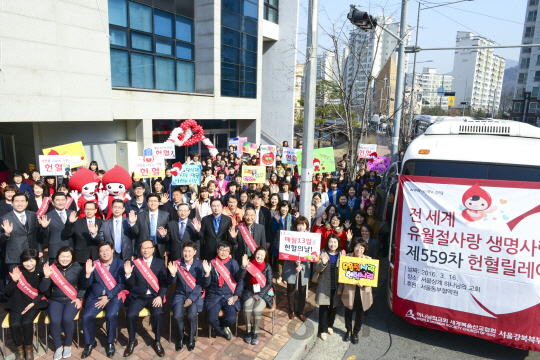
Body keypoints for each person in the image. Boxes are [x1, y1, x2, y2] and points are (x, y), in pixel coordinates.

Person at [123, 240, 168, 357]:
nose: (146, 250)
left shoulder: (160, 263)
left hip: (154, 297)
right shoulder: (135, 263)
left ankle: (157, 341)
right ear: (140, 250)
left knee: (158, 314)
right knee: (131, 315)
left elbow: (164, 284)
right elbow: (131, 285)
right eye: (143, 248)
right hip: (138, 297)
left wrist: (160, 296)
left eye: (148, 248)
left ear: (153, 249)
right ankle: (132, 340)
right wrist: (128, 275)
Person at [81, 242, 126, 358]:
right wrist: (87, 273)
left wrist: (109, 296)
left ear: (112, 250)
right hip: (96, 296)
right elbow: (86, 284)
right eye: (102, 251)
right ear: (99, 253)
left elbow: (121, 285)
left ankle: (110, 342)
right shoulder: (95, 264)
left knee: (111, 315)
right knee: (86, 316)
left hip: (114, 296)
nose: (104, 253)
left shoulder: (121, 264)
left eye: (107, 250)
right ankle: (90, 343)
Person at [41, 247, 86, 360]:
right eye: (62, 256)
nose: (65, 259)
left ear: (72, 257)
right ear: (58, 257)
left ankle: (67, 345)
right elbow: (43, 289)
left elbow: (84, 285)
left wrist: (79, 297)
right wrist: (46, 277)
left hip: (73, 299)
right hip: (56, 299)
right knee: (55, 321)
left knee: (67, 319)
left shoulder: (77, 267)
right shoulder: (51, 268)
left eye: (68, 256)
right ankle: (58, 347)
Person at [5, 249, 48, 360]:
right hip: (18, 302)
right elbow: (8, 293)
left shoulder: (42, 270)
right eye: (25, 261)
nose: (28, 264)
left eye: (32, 260)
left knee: (26, 322)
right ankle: (19, 350)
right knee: (14, 324)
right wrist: (14, 281)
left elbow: (44, 292)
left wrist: (33, 303)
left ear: (36, 260)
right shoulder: (17, 270)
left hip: (35, 302)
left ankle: (28, 349)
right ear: (21, 261)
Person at [203, 242, 248, 340]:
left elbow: (239, 279)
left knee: (232, 320)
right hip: (215, 295)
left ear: (229, 252)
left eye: (226, 250)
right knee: (210, 319)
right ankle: (222, 330)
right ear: (217, 250)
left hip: (229, 295)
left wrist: (236, 296)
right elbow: (206, 284)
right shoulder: (211, 263)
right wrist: (207, 274)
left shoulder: (234, 263)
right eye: (222, 249)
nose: (224, 252)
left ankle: (218, 326)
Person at [167, 241, 204, 351]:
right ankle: (181, 338)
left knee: (191, 316)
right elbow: (171, 283)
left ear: (194, 252)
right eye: (185, 251)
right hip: (180, 294)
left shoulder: (200, 265)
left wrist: (191, 299)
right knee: (177, 316)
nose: (187, 254)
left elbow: (200, 285)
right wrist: (173, 274)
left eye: (189, 251)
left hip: (194, 296)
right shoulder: (176, 264)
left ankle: (191, 339)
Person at [340, 238, 373, 344]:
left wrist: (364, 283)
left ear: (364, 249)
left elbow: (372, 278)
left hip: (362, 292)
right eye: (357, 246)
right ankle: (348, 330)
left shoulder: (369, 260)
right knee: (348, 312)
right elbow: (341, 274)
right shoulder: (347, 258)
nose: (359, 249)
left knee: (360, 315)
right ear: (353, 247)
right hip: (349, 290)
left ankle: (356, 333)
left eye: (361, 247)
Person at [0, 193, 42, 269]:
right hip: (15, 258)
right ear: (12, 203)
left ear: (26, 203)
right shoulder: (4, 218)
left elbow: (37, 235)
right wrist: (6, 234)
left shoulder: (32, 215)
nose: (20, 204)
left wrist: (39, 250)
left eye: (22, 201)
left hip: (32, 256)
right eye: (17, 201)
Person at [241, 247, 273, 345]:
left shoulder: (267, 266)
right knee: (246, 309)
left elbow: (269, 283)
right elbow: (241, 277)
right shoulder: (249, 264)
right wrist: (243, 266)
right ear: (255, 254)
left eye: (262, 255)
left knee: (256, 310)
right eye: (258, 254)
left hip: (262, 294)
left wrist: (259, 295)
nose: (259, 256)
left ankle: (255, 332)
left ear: (265, 257)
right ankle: (248, 330)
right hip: (249, 292)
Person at [314, 234, 343, 341]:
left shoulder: (341, 255)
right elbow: (316, 269)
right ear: (327, 243)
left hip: (336, 286)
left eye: (335, 242)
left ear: (338, 243)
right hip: (324, 286)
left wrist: (341, 287)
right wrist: (323, 263)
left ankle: (330, 325)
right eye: (330, 242)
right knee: (323, 309)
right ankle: (322, 329)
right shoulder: (322, 253)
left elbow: (344, 273)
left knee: (333, 308)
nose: (332, 244)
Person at [282, 217, 311, 322]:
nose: (301, 227)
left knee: (302, 290)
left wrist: (302, 265)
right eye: (299, 224)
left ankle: (300, 311)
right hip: (291, 266)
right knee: (290, 289)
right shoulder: (290, 235)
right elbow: (285, 251)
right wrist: (294, 261)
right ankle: (292, 310)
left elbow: (312, 254)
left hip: (304, 267)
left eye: (303, 225)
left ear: (306, 226)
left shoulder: (310, 237)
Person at [128, 193, 170, 258]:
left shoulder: (166, 215)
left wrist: (164, 236)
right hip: (144, 250)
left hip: (159, 249)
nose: (153, 203)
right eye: (150, 201)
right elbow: (135, 233)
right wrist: (132, 224)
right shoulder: (140, 215)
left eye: (155, 201)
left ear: (159, 202)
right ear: (147, 203)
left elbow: (169, 235)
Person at [40, 192, 75, 264]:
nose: (61, 202)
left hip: (71, 250)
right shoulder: (47, 216)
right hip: (55, 251)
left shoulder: (73, 213)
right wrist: (44, 228)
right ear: (52, 202)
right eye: (58, 200)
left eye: (63, 200)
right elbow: (44, 236)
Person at [271, 200, 295, 283]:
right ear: (280, 207)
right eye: (282, 207)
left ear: (288, 208)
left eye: (286, 207)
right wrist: (277, 221)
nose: (284, 209)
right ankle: (280, 275)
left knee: (287, 260)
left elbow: (295, 228)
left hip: (288, 242)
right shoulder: (276, 216)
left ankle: (286, 276)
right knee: (279, 259)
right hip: (278, 242)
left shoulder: (292, 217)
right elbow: (273, 229)